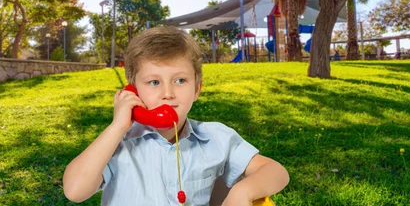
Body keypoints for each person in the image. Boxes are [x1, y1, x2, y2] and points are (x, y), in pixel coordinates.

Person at [63, 26, 289, 205]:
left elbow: (276, 172)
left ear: (197, 88)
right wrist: (117, 127)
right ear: (133, 91)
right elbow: (75, 191)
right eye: (154, 82)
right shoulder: (117, 143)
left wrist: (243, 191)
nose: (168, 94)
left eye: (180, 80)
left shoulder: (217, 137)